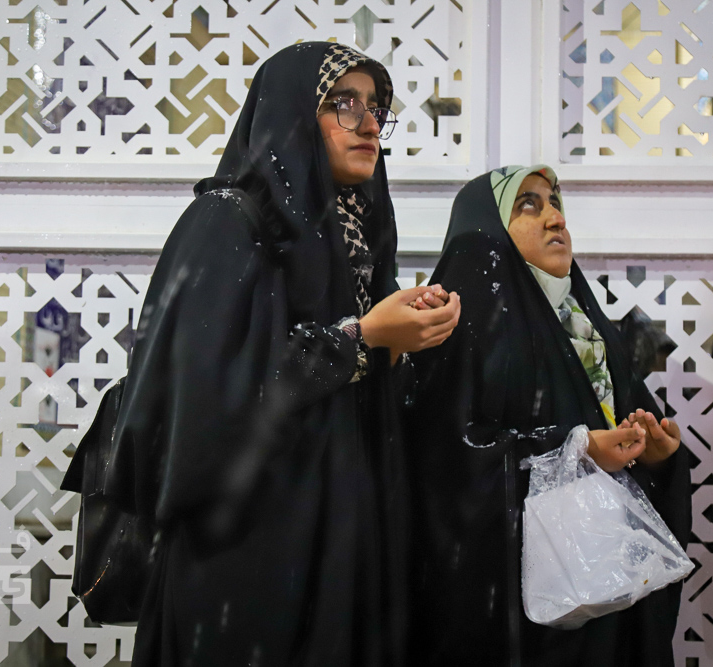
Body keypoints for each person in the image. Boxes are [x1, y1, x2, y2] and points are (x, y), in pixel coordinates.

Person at [100, 43, 459, 666]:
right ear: (290, 115)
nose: (369, 124)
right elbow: (210, 402)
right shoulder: (224, 223)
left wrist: (402, 343)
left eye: (375, 108)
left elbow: (346, 402)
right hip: (246, 563)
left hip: (338, 552)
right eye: (342, 104)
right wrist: (363, 337)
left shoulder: (358, 238)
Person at [406, 165, 692, 666]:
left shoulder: (587, 327)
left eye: (556, 203)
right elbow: (443, 461)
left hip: (606, 595)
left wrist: (656, 455)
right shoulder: (459, 323)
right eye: (528, 205)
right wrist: (574, 448)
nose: (556, 218)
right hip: (521, 615)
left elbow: (630, 440)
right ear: (489, 228)